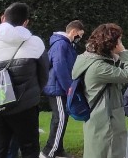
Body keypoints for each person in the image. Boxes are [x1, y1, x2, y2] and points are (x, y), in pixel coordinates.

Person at [0, 3, 49, 158]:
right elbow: (44, 73)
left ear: (3, 19)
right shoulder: (35, 42)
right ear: (26, 22)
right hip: (26, 104)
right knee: (29, 148)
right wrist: (34, 93)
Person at [73, 23, 128, 158]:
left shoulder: (90, 59)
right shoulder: (99, 67)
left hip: (100, 120)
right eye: (119, 40)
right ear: (111, 43)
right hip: (106, 123)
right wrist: (124, 52)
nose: (120, 43)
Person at [41, 20, 85, 158]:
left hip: (58, 86)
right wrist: (69, 88)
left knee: (61, 118)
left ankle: (57, 150)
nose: (80, 38)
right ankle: (49, 151)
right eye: (80, 35)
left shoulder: (63, 44)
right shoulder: (61, 44)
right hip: (58, 88)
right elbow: (60, 66)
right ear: (73, 31)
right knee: (60, 119)